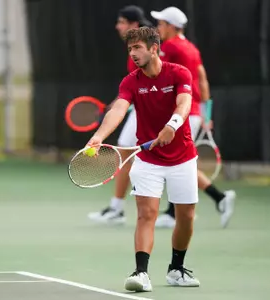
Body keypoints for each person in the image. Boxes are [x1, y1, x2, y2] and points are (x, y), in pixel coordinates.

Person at [86, 27, 200, 292]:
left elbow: (183, 104)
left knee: (186, 217)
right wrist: (99, 136)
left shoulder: (179, 73)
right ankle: (141, 273)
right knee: (146, 214)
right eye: (130, 49)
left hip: (183, 158)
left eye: (137, 48)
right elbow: (118, 110)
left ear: (154, 48)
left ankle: (176, 269)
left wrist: (172, 125)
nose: (133, 54)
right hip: (148, 160)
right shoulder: (131, 82)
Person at [150, 7, 236, 228]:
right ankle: (213, 200)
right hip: (194, 112)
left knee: (174, 162)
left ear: (170, 26)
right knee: (177, 161)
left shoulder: (169, 48)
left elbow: (161, 80)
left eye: (161, 24)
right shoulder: (192, 48)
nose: (158, 28)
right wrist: (206, 114)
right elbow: (203, 80)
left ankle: (179, 211)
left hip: (181, 112)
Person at [87, 5, 152, 225]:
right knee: (130, 151)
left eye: (121, 21)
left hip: (154, 110)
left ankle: (117, 209)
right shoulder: (138, 45)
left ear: (133, 24)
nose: (117, 26)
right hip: (146, 107)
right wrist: (120, 102)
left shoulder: (145, 47)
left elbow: (153, 80)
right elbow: (137, 83)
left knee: (128, 150)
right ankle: (118, 208)